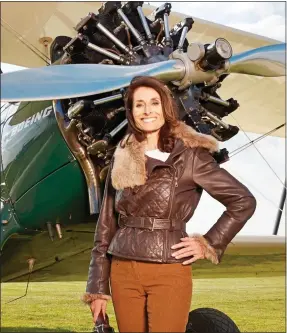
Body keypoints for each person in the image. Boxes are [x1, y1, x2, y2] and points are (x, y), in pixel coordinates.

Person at [82, 76, 256, 332]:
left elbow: (243, 201)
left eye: (154, 102)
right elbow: (106, 225)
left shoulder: (191, 155)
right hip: (123, 270)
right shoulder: (121, 155)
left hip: (169, 270)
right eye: (139, 105)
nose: (147, 110)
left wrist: (208, 242)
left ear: (166, 107)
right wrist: (97, 288)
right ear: (131, 112)